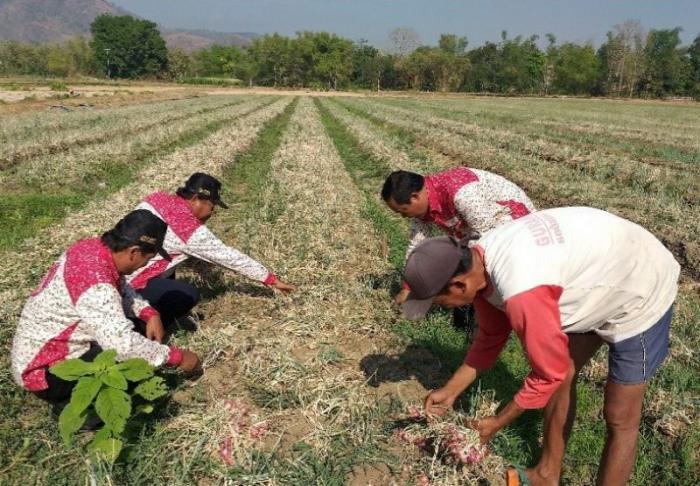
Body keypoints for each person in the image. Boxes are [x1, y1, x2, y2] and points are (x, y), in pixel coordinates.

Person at [400, 207, 679, 486]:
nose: (442, 308)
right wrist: (451, 390)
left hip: (640, 282)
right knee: (563, 375)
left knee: (620, 416)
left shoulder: (521, 289)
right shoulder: (477, 263)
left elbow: (547, 373)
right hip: (592, 277)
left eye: (438, 302)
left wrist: (498, 422)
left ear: (458, 285)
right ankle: (547, 474)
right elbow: (490, 337)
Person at [11, 210, 201, 404]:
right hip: (45, 371)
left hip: (49, 347)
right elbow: (122, 346)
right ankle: (83, 412)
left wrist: (148, 312)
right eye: (147, 259)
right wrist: (178, 357)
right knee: (129, 377)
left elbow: (120, 286)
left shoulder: (93, 248)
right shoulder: (98, 287)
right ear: (133, 252)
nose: (145, 265)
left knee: (138, 337)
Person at [128, 173, 294, 335]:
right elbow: (228, 256)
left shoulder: (156, 199)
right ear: (195, 199)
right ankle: (140, 329)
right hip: (131, 286)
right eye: (211, 206)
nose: (212, 213)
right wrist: (270, 279)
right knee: (188, 294)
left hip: (118, 273)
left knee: (169, 261)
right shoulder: (188, 228)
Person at [381, 168, 535, 331]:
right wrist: (408, 287)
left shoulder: (461, 194)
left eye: (402, 211)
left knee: (475, 269)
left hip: (514, 226)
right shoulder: (424, 206)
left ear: (415, 197)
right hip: (482, 230)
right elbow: (417, 246)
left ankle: (507, 318)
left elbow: (489, 236)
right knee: (462, 264)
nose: (403, 217)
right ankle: (466, 321)